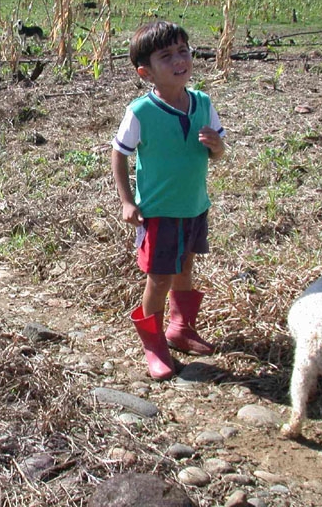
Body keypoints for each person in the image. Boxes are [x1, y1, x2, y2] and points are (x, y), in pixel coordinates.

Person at [111, 20, 226, 380]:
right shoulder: (141, 112)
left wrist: (218, 146)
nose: (180, 60)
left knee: (185, 267)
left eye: (183, 51)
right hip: (159, 212)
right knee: (159, 278)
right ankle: (154, 343)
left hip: (193, 206)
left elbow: (219, 150)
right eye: (167, 56)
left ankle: (181, 327)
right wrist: (127, 201)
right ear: (146, 71)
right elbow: (119, 153)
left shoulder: (203, 103)